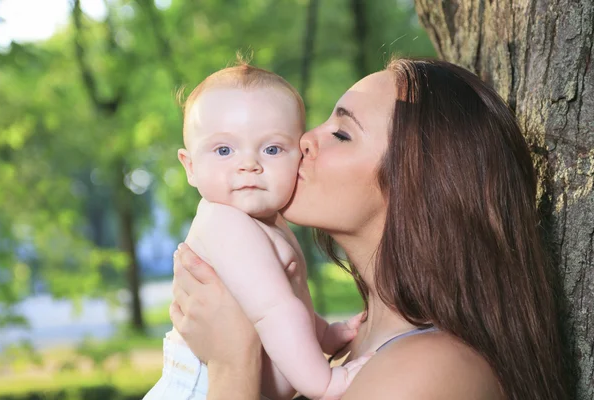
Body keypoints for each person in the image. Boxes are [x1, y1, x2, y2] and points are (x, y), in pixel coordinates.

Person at [170, 58, 571, 400]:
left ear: (416, 186)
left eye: (341, 134)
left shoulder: (425, 374)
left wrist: (231, 363)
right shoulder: (362, 347)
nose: (304, 139)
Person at [144, 63, 371, 400]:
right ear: (190, 166)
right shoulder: (226, 223)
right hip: (197, 389)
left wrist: (325, 333)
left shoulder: (267, 222)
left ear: (299, 155)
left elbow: (287, 300)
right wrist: (324, 384)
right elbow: (274, 310)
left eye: (271, 149)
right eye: (224, 150)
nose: (249, 163)